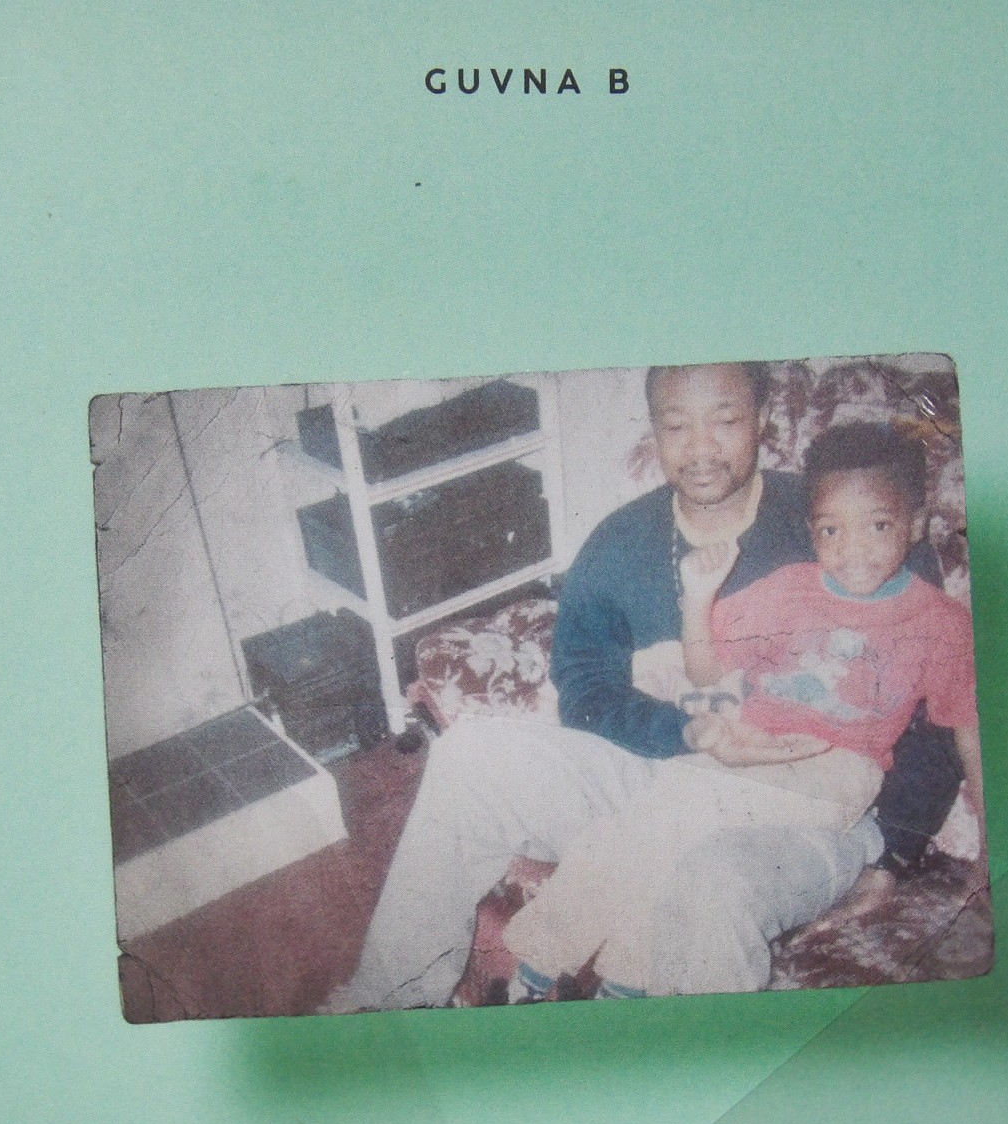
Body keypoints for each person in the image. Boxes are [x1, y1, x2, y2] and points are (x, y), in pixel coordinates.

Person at [323, 362, 968, 1011]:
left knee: (711, 881)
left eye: (725, 419)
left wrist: (894, 854)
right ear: (655, 433)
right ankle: (387, 1000)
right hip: (669, 775)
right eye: (677, 425)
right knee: (470, 756)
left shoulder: (843, 514)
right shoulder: (619, 543)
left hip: (806, 800)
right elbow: (585, 692)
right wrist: (693, 734)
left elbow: (935, 717)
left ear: (762, 421)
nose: (701, 447)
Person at [499, 421, 982, 996]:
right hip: (751, 746)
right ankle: (562, 973)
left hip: (836, 768)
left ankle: (601, 978)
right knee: (639, 825)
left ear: (915, 524)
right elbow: (709, 674)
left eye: (877, 526)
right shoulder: (790, 587)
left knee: (675, 824)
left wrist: (990, 841)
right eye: (831, 530)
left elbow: (966, 732)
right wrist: (699, 598)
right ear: (812, 531)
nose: (852, 549)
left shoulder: (942, 624)